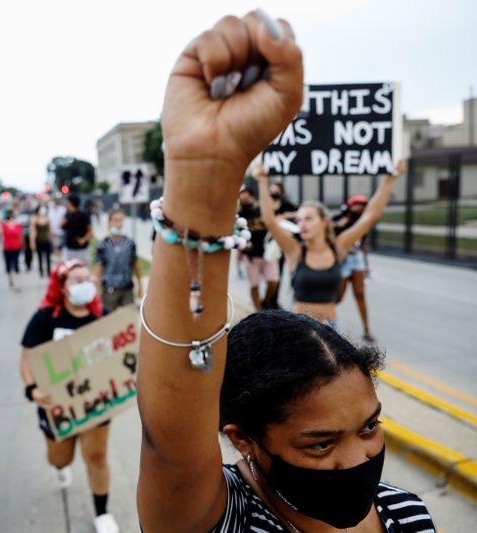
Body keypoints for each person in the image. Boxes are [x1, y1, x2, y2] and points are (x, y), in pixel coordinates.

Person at [136, 11, 434, 533]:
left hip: (326, 330)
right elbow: (172, 441)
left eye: (370, 426)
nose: (357, 460)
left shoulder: (407, 511)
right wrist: (207, 174)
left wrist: (388, 182)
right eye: (319, 443)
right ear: (245, 438)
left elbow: (367, 217)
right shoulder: (230, 521)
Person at [20, 260, 118, 533]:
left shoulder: (103, 317)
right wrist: (32, 390)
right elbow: (26, 359)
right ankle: (59, 466)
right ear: (62, 286)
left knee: (97, 458)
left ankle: (102, 512)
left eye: (88, 278)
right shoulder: (44, 319)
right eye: (76, 280)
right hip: (56, 406)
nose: (85, 284)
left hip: (96, 403)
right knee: (60, 459)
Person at [255, 159, 404, 329]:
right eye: (299, 220)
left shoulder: (338, 248)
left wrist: (390, 179)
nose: (302, 224)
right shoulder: (294, 251)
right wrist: (262, 181)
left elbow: (370, 216)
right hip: (299, 330)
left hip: (331, 328)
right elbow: (270, 221)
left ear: (324, 222)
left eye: (309, 219)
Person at [335, 196, 375, 342]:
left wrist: (367, 266)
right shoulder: (340, 220)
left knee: (360, 294)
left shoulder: (363, 223)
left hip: (356, 260)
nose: (360, 208)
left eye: (363, 206)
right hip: (343, 261)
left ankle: (366, 330)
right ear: (350, 206)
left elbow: (362, 245)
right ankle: (325, 319)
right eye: (357, 205)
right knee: (338, 297)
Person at [238, 187, 279, 311]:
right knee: (254, 285)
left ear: (251, 196)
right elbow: (236, 234)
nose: (245, 200)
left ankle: (265, 303)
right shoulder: (239, 215)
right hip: (251, 256)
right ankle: (258, 311)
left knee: (273, 282)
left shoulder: (262, 210)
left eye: (247, 197)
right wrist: (242, 247)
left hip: (268, 253)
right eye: (242, 198)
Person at [94, 209, 142, 312]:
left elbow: (135, 264)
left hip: (127, 289)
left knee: (129, 320)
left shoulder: (129, 243)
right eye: (115, 220)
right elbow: (99, 268)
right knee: (110, 321)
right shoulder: (103, 244)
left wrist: (140, 286)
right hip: (109, 289)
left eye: (121, 220)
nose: (118, 224)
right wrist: (98, 289)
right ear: (110, 222)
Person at [264, 181, 298, 309]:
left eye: (276, 190)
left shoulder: (285, 204)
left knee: (278, 274)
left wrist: (285, 215)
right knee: (270, 276)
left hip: (280, 243)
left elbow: (298, 211)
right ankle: (267, 301)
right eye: (272, 190)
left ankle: (273, 300)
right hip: (267, 242)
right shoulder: (266, 204)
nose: (274, 192)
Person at [62, 195, 93, 263]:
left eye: (67, 202)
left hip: (81, 250)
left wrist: (84, 239)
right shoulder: (67, 215)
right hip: (69, 249)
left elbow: (90, 231)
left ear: (71, 203)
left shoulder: (83, 215)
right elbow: (61, 226)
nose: (66, 204)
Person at [0, 210, 23, 291]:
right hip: (7, 247)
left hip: (16, 247)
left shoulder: (17, 224)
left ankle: (17, 283)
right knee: (8, 265)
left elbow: (20, 235)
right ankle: (11, 279)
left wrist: (22, 245)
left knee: (16, 264)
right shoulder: (3, 224)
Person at [30, 204, 53, 278]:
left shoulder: (47, 218)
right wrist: (32, 242)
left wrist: (52, 240)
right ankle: (41, 271)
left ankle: (49, 272)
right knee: (40, 257)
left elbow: (50, 230)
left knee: (48, 257)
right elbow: (33, 231)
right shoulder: (35, 219)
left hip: (46, 240)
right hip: (38, 240)